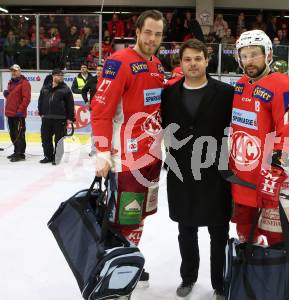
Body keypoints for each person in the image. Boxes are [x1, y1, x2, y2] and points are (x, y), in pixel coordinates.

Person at [91, 10, 166, 292]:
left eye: (158, 34)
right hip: (126, 159)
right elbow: (100, 111)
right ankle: (115, 270)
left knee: (139, 215)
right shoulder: (118, 63)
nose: (152, 39)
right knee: (123, 217)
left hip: (152, 156)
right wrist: (101, 152)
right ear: (137, 31)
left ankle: (129, 259)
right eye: (148, 32)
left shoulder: (157, 65)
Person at [161, 39, 234, 300]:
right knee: (186, 230)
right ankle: (188, 277)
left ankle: (220, 283)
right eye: (187, 59)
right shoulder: (168, 93)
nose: (193, 64)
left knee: (219, 232)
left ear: (207, 60)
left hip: (216, 174)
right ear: (181, 63)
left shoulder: (226, 93)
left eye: (197, 58)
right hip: (181, 173)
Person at [229, 30, 289, 247]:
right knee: (245, 237)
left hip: (273, 181)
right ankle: (251, 279)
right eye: (244, 55)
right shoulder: (241, 84)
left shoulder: (286, 86)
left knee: (277, 241)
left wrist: (276, 172)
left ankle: (278, 281)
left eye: (254, 54)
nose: (248, 61)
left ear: (268, 54)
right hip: (243, 180)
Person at [37, 69, 75, 165]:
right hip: (46, 118)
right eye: (59, 75)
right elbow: (40, 100)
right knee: (45, 139)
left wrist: (70, 118)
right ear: (53, 76)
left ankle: (57, 158)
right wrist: (41, 112)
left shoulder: (66, 89)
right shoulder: (45, 88)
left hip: (60, 119)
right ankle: (48, 156)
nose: (61, 77)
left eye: (62, 75)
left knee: (59, 140)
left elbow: (70, 105)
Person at [3, 64, 31, 162]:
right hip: (10, 113)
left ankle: (20, 153)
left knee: (19, 134)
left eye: (15, 71)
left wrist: (20, 110)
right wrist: (7, 95)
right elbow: (13, 98)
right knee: (13, 134)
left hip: (18, 114)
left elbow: (26, 99)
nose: (13, 73)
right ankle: (16, 151)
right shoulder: (10, 82)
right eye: (12, 71)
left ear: (19, 72)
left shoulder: (25, 83)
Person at [82, 64, 103, 156]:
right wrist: (86, 101)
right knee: (94, 130)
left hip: (106, 109)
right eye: (97, 70)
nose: (98, 72)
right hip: (94, 109)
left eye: (100, 70)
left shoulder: (108, 81)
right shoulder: (91, 80)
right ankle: (94, 149)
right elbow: (83, 91)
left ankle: (105, 148)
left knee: (107, 129)